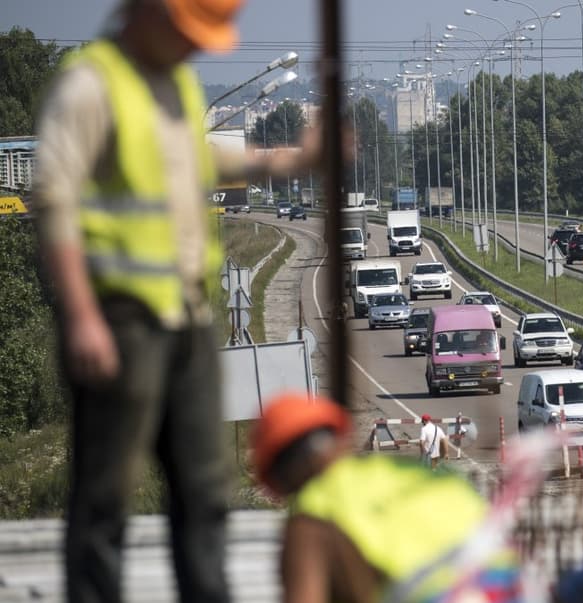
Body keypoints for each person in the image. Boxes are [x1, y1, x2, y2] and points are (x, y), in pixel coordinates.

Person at [32, 0, 321, 600]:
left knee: (204, 487)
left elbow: (205, 159)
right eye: (190, 32)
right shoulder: (92, 86)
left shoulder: (177, 87)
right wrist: (81, 316)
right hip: (120, 321)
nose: (196, 47)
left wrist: (289, 161)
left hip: (187, 317)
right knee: (106, 493)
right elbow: (54, 200)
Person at [251, 393, 521, 603]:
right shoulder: (425, 475)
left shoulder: (314, 513)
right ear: (342, 440)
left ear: (280, 478)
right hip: (512, 590)